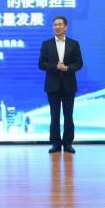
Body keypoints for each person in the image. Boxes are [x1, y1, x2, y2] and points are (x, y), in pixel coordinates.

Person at [38, 16, 84, 153]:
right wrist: (55, 67)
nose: (57, 27)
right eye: (55, 25)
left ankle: (68, 143)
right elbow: (41, 64)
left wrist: (68, 68)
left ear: (66, 27)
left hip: (69, 85)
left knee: (68, 115)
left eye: (59, 24)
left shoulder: (74, 44)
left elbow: (79, 63)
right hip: (52, 85)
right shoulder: (46, 44)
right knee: (54, 116)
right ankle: (55, 144)